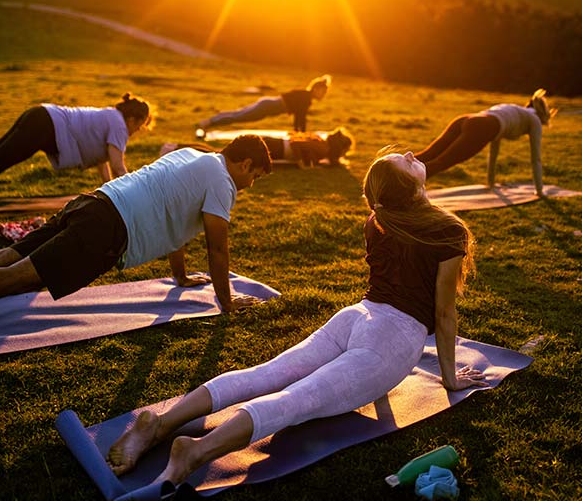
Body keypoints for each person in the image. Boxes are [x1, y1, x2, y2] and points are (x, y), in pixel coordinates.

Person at [105, 148, 487, 486]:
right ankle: (195, 450)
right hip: (393, 338)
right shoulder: (446, 230)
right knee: (296, 398)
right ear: (409, 189)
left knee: (266, 374)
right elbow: (443, 312)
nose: (407, 154)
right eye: (400, 162)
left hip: (357, 317)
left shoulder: (378, 220)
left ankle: (162, 422)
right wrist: (449, 379)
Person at [0, 135, 272, 311]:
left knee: (6, 257)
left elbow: (176, 226)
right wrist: (228, 302)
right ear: (245, 164)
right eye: (254, 176)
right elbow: (217, 250)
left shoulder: (193, 156)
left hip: (91, 202)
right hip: (105, 228)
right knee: (18, 277)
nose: (251, 184)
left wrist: (180, 277)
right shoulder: (222, 182)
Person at [0, 92, 154, 183]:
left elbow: (104, 162)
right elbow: (118, 167)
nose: (138, 130)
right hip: (44, 124)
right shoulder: (119, 126)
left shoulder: (111, 116)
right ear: (132, 119)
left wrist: (108, 189)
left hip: (40, 115)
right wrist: (133, 192)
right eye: (140, 126)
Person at [415, 89, 557, 196]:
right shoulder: (535, 120)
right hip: (481, 127)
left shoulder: (514, 110)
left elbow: (494, 147)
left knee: (429, 154)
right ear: (543, 116)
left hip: (466, 119)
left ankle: (395, 167)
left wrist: (490, 183)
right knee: (440, 163)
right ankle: (402, 191)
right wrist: (539, 191)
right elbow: (536, 159)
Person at [196, 75, 331, 136]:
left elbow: (300, 118)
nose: (323, 95)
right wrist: (300, 135)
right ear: (316, 89)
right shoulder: (305, 97)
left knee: (238, 114)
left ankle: (209, 121)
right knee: (239, 117)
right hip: (266, 107)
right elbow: (300, 117)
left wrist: (300, 132)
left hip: (266, 105)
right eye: (323, 92)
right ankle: (208, 122)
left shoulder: (305, 95)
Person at [163, 126, 355, 168]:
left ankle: (175, 147)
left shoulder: (323, 144)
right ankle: (174, 148)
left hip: (274, 144)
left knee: (219, 152)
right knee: (220, 154)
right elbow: (298, 144)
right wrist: (301, 163)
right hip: (273, 146)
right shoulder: (324, 147)